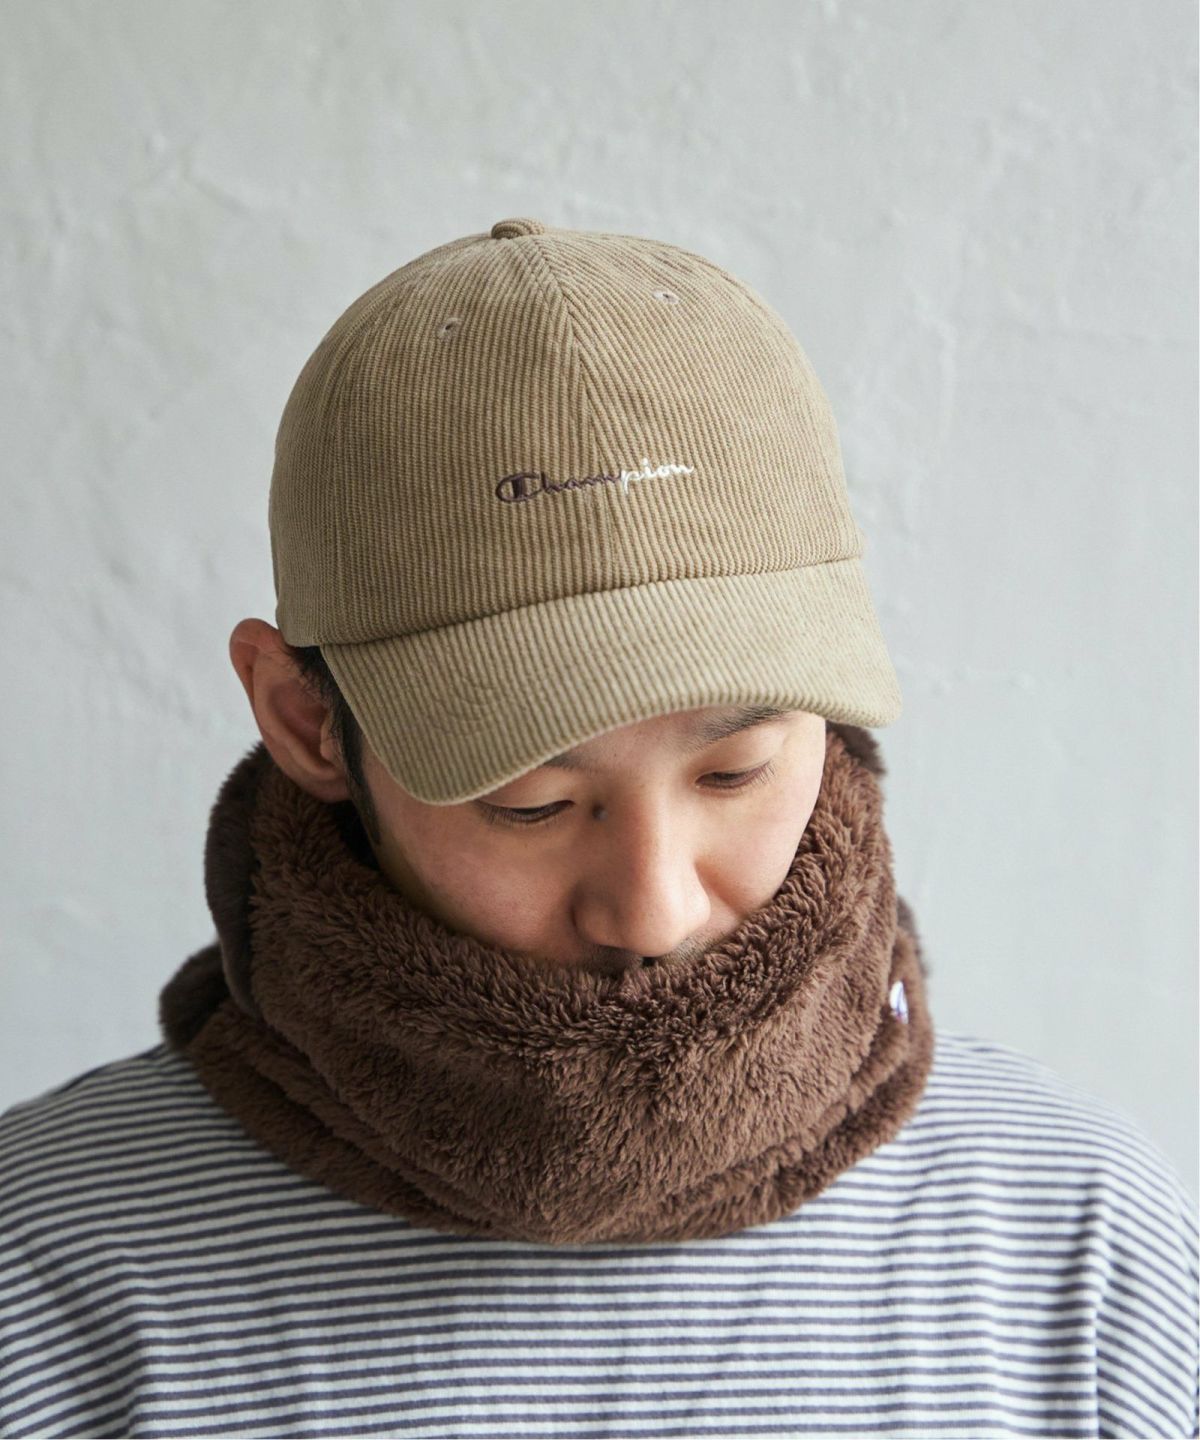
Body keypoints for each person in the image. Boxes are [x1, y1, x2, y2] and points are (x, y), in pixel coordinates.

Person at [1, 217, 1195, 1440]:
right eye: (533, 802)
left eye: (734, 772)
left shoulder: (1076, 1242)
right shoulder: (47, 1271)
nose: (654, 909)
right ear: (308, 723)